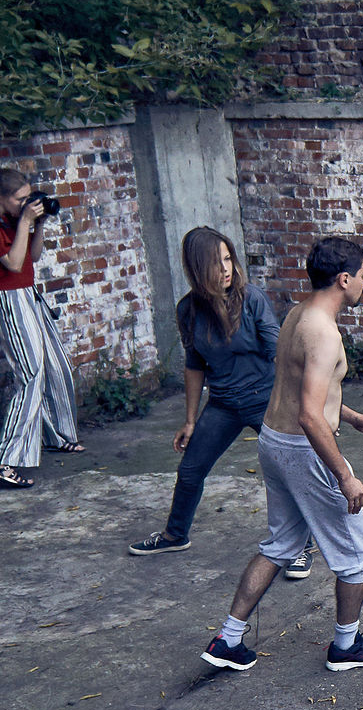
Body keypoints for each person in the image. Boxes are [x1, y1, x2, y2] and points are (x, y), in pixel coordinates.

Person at [200, 237, 363, 673]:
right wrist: (344, 475)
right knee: (360, 549)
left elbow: (298, 389)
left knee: (282, 543)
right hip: (304, 450)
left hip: (275, 440)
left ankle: (228, 639)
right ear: (344, 279)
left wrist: (349, 416)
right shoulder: (324, 333)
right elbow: (310, 415)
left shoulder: (298, 315)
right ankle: (346, 646)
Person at [127, 228, 315, 579]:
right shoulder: (188, 310)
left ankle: (302, 546)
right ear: (198, 268)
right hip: (224, 404)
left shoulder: (251, 299)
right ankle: (175, 535)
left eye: (228, 259)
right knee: (190, 471)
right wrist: (190, 420)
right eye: (217, 262)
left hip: (266, 400)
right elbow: (194, 365)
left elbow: (280, 353)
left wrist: (302, 406)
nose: (226, 268)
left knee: (289, 471)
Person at [0, 166, 83, 489]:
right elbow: (13, 264)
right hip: (6, 299)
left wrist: (37, 224)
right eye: (20, 199)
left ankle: (56, 436)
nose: (26, 203)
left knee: (56, 365)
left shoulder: (13, 217)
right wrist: (25, 221)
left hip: (27, 294)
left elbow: (33, 257)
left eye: (29, 197)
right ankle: (3, 460)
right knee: (30, 374)